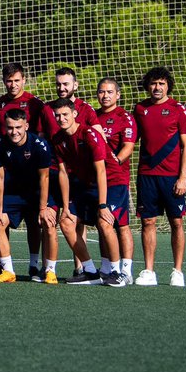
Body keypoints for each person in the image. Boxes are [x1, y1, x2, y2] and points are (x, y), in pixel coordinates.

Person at [49, 98, 126, 287]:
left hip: (111, 181)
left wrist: (102, 205)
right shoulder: (57, 139)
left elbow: (101, 170)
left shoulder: (89, 134)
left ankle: (117, 273)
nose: (61, 118)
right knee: (66, 222)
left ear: (74, 114)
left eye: (65, 114)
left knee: (104, 221)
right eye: (57, 115)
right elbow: (63, 173)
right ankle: (90, 271)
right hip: (86, 185)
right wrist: (66, 207)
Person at [0, 62, 48, 276]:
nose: (13, 84)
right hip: (5, 169)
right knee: (1, 218)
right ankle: (4, 265)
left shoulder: (35, 104)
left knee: (34, 222)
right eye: (9, 81)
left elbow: (41, 134)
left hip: (29, 170)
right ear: (4, 81)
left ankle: (34, 264)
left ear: (24, 80)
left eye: (17, 80)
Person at [132, 66, 186, 287]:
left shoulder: (178, 109)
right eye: (153, 83)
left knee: (176, 222)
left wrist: (183, 177)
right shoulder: (140, 109)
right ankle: (149, 271)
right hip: (146, 175)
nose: (157, 87)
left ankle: (177, 271)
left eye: (161, 83)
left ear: (168, 86)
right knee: (148, 221)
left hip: (171, 177)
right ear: (147, 86)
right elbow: (130, 140)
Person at [40, 67, 99, 281]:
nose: (62, 87)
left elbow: (98, 136)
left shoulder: (86, 109)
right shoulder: (46, 109)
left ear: (75, 85)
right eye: (58, 84)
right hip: (54, 172)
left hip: (78, 176)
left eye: (66, 83)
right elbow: (41, 138)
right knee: (49, 220)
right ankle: (48, 269)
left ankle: (82, 268)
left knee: (79, 220)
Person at [0, 108, 56, 283]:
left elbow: (44, 178)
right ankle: (8, 271)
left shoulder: (39, 145)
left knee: (47, 222)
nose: (14, 132)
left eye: (18, 127)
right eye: (10, 127)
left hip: (36, 193)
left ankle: (47, 270)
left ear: (26, 126)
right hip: (12, 194)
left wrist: (43, 208)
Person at [94, 77, 137, 283]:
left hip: (116, 179)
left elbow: (128, 146)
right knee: (101, 223)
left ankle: (125, 271)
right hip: (96, 179)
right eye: (102, 92)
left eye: (110, 92)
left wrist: (115, 162)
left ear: (118, 95)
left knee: (120, 223)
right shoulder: (93, 116)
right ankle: (105, 268)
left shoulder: (125, 117)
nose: (105, 95)